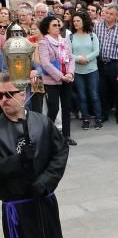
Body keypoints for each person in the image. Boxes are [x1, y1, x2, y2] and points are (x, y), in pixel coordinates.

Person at [0, 72, 73, 238]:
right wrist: (18, 160)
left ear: (23, 95)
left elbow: (60, 151)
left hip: (42, 199)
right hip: (17, 208)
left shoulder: (41, 122)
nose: (4, 100)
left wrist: (45, 181)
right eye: (0, 96)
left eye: (9, 94)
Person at [37, 15, 74, 145]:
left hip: (67, 79)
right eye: (54, 25)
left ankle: (66, 136)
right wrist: (61, 76)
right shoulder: (43, 43)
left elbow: (71, 58)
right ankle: (47, 135)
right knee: (53, 108)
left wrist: (69, 73)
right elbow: (46, 64)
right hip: (52, 80)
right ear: (47, 29)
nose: (58, 27)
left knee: (66, 106)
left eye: (58, 25)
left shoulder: (63, 40)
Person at [94, 4, 118, 125]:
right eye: (107, 13)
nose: (108, 16)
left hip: (115, 64)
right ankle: (104, 114)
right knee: (102, 90)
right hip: (101, 64)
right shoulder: (98, 27)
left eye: (111, 14)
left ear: (116, 16)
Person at [69, 11, 103, 132]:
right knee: (82, 96)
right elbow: (68, 53)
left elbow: (97, 51)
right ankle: (85, 119)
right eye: (74, 21)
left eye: (78, 21)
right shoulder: (71, 36)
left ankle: (98, 118)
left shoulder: (92, 35)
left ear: (84, 21)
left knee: (94, 95)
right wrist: (79, 59)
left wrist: (86, 58)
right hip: (78, 71)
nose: (76, 23)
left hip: (92, 69)